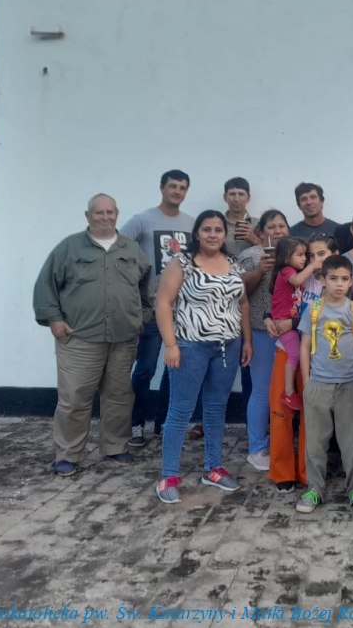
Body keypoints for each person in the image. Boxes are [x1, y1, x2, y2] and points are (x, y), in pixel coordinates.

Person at [33, 193, 150, 477]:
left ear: (117, 214)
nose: (105, 217)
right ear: (88, 216)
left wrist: (141, 317)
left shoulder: (131, 249)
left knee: (119, 396)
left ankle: (114, 446)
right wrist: (54, 320)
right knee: (74, 398)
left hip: (123, 338)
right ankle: (68, 454)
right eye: (99, 212)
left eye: (110, 212)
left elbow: (146, 286)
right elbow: (45, 285)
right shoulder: (69, 248)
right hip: (80, 338)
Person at [154, 210, 253, 504]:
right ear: (197, 233)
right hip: (190, 346)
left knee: (216, 408)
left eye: (218, 230)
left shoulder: (233, 263)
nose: (213, 234)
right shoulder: (181, 263)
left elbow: (243, 303)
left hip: (227, 347)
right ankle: (169, 475)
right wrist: (170, 345)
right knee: (180, 410)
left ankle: (213, 468)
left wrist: (247, 340)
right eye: (207, 229)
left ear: (224, 234)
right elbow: (163, 302)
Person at [120, 170, 195, 449]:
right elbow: (118, 251)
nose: (177, 191)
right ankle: (136, 423)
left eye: (182, 187)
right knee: (145, 369)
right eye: (173, 186)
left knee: (173, 370)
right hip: (151, 309)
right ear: (162, 188)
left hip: (183, 311)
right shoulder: (142, 220)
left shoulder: (191, 224)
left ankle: (163, 424)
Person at [296, 255, 353, 516]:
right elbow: (305, 346)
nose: (339, 284)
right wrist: (307, 381)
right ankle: (314, 488)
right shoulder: (314, 309)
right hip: (319, 384)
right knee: (315, 443)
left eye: (344, 279)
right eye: (333, 278)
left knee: (351, 441)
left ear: (351, 281)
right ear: (322, 280)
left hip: (350, 385)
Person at [237, 210, 294, 478]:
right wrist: (260, 271)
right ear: (261, 232)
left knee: (288, 388)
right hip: (262, 331)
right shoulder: (251, 256)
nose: (278, 230)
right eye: (272, 226)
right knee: (261, 390)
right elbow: (239, 293)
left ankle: (284, 442)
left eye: (282, 225)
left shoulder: (295, 254)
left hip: (292, 331)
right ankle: (257, 448)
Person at [269, 236, 312, 411]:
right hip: (283, 321)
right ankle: (288, 392)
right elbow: (297, 281)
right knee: (294, 354)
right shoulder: (287, 271)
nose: (304, 259)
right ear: (286, 257)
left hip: (289, 320)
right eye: (300, 255)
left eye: (305, 255)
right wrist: (312, 266)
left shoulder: (292, 271)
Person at [222, 177, 260, 257]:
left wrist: (254, 239)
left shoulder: (259, 224)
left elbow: (270, 252)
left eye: (241, 194)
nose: (236, 199)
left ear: (248, 198)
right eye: (232, 194)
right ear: (225, 197)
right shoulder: (217, 225)